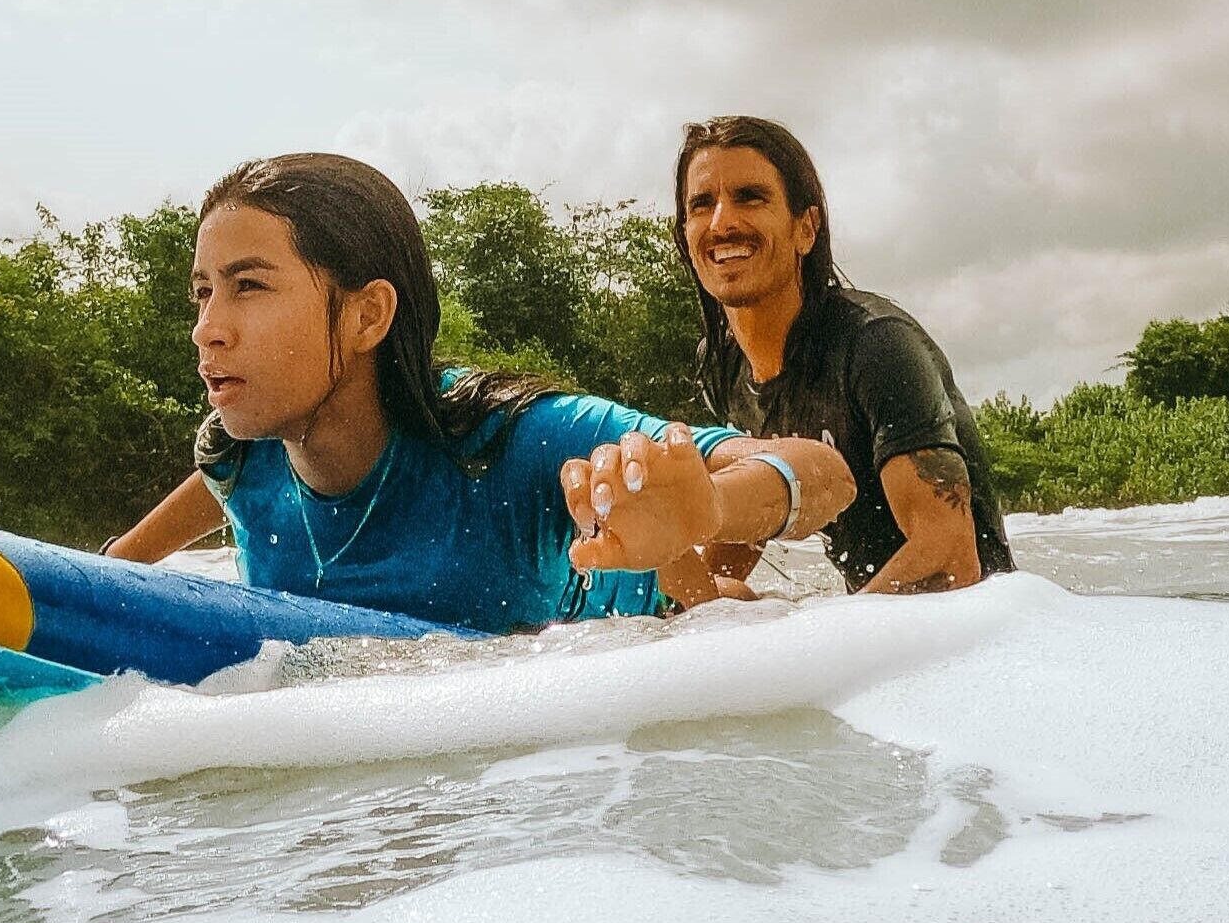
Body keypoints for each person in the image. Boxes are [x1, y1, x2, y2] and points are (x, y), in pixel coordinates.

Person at [108, 153, 852, 633]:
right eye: (202, 294)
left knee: (725, 607)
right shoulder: (246, 453)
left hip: (638, 630)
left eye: (248, 287)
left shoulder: (505, 441)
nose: (208, 328)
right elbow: (223, 482)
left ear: (368, 313)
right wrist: (120, 563)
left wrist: (711, 508)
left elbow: (826, 475)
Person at [669, 116, 1014, 595]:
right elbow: (747, 528)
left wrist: (820, 639)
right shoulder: (722, 365)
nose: (723, 222)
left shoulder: (876, 345)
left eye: (750, 197)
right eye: (702, 204)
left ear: (806, 228)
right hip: (869, 625)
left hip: (973, 632)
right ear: (685, 235)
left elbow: (951, 559)